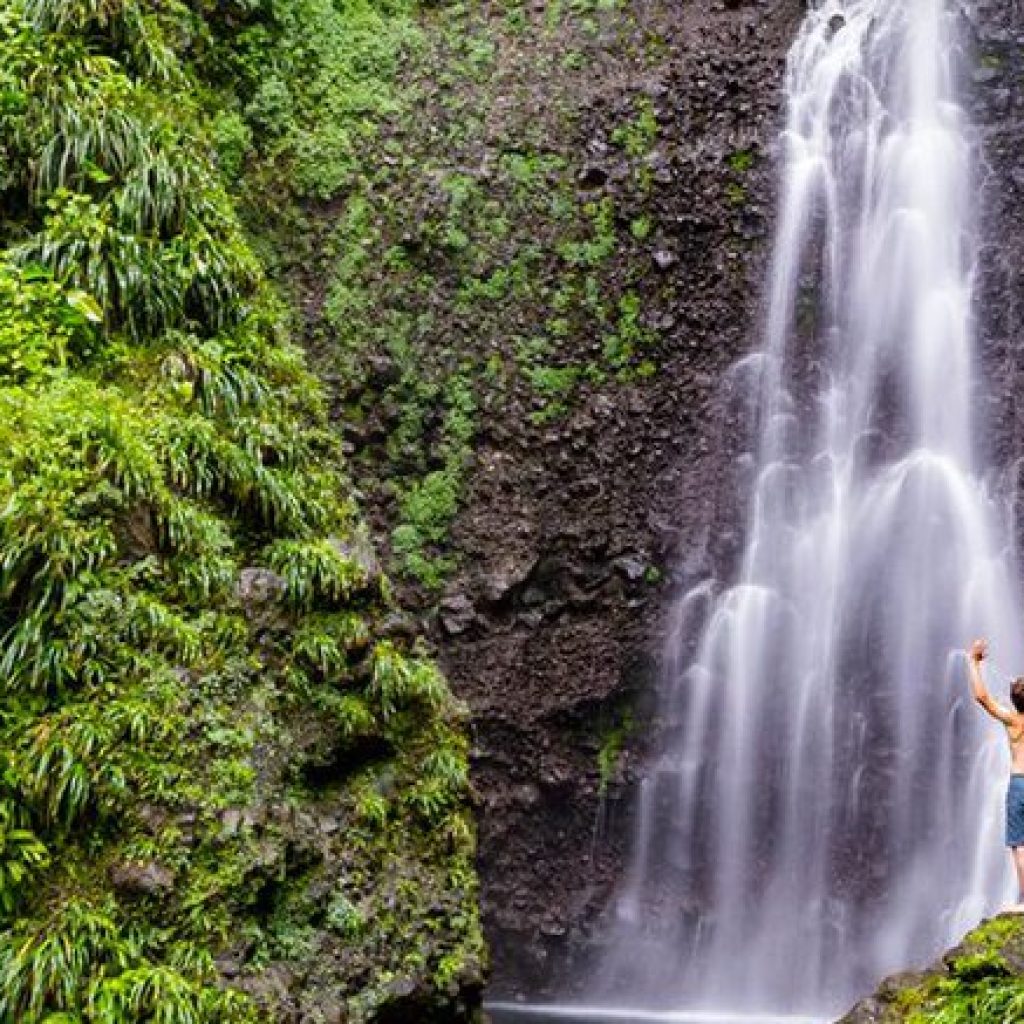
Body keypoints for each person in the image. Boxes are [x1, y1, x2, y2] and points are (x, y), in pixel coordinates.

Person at [968, 638, 1024, 908]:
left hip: (1019, 784)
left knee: (1020, 844)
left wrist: (973, 662)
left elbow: (982, 698)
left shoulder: (1014, 722)